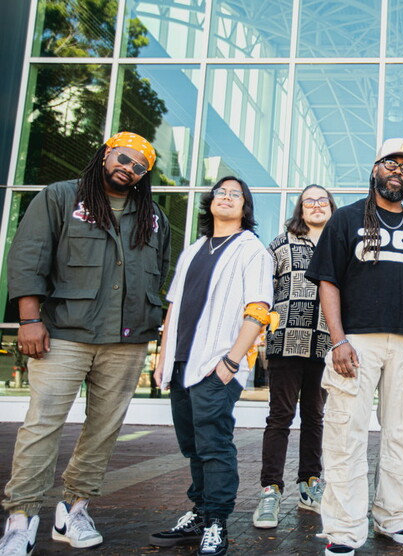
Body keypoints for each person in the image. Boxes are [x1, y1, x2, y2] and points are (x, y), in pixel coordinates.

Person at [0, 132, 170, 555]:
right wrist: (29, 320)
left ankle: (74, 510)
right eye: (124, 158)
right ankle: (21, 518)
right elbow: (28, 257)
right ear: (107, 153)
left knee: (103, 430)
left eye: (139, 167)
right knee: (42, 424)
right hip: (63, 333)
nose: (128, 169)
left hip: (127, 341)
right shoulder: (61, 197)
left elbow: (160, 272)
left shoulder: (153, 217)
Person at [305, 138, 403, 556]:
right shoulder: (346, 219)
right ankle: (345, 528)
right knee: (345, 433)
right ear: (375, 169)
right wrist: (338, 339)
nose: (398, 172)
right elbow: (328, 282)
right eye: (391, 163)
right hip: (356, 342)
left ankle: (394, 516)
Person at [148, 177, 272, 556]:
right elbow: (173, 307)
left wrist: (231, 361)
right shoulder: (193, 250)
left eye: (236, 194)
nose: (227, 197)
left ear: (245, 207)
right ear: (211, 201)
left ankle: (216, 521)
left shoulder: (252, 250)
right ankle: (200, 513)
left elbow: (258, 310)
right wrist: (163, 357)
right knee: (192, 446)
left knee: (214, 445)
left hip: (216, 365)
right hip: (181, 363)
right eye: (221, 192)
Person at [252, 185, 336, 528]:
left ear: (331, 207)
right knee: (280, 417)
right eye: (308, 201)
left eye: (322, 200)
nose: (316, 205)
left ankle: (309, 485)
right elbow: (261, 289)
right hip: (286, 341)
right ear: (300, 209)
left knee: (315, 417)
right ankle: (270, 490)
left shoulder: (340, 245)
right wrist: (259, 332)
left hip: (325, 345)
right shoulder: (281, 244)